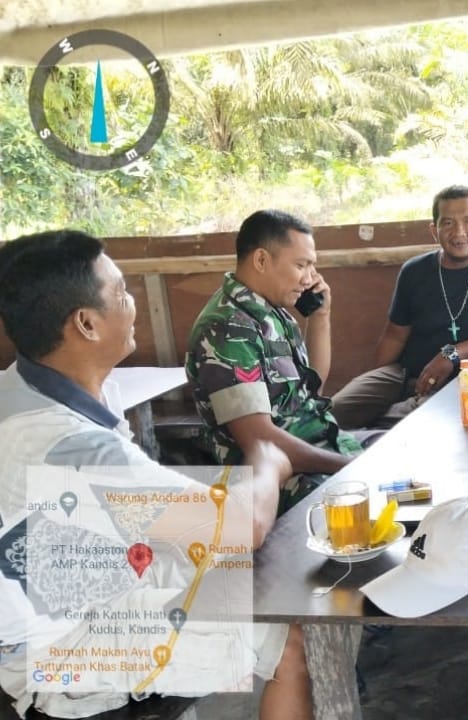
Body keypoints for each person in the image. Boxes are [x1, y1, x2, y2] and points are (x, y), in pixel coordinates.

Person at [0, 230, 312, 719]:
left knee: (235, 570)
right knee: (287, 637)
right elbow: (242, 527)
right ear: (86, 323)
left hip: (76, 579)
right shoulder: (67, 443)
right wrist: (268, 462)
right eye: (122, 292)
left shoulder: (23, 389)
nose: (132, 305)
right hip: (60, 644)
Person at [186, 210, 360, 511]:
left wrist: (321, 316)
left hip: (316, 445)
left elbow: (311, 389)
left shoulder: (271, 310)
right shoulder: (227, 328)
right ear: (261, 260)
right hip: (278, 477)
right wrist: (347, 465)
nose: (310, 278)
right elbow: (260, 441)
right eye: (301, 265)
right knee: (363, 500)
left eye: (312, 266)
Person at [331, 185, 468, 428]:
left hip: (462, 377)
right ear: (434, 231)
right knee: (334, 412)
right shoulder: (414, 270)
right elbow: (395, 335)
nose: (459, 232)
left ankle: (385, 423)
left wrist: (449, 355)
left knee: (407, 424)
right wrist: (372, 382)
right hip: (404, 373)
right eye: (447, 223)